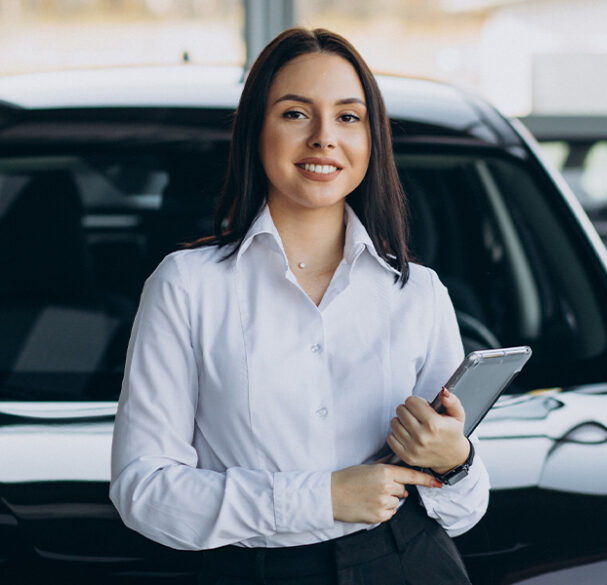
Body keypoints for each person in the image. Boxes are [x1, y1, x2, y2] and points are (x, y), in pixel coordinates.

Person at [110, 27, 489, 585]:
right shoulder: (186, 286)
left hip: (408, 564)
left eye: (348, 117)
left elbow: (462, 513)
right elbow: (143, 490)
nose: (323, 138)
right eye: (294, 114)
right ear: (256, 131)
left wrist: (455, 462)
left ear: (371, 138)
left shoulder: (418, 292)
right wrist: (322, 498)